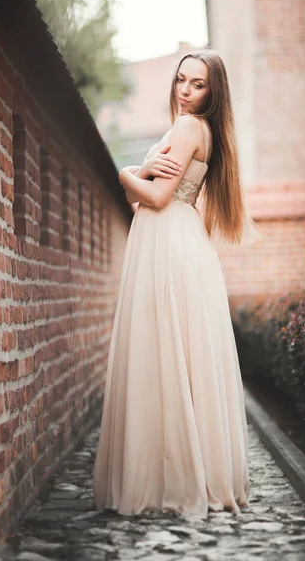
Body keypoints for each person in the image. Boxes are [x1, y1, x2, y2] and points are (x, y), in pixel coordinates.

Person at [93, 48, 261, 519]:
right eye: (181, 80)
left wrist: (126, 172)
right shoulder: (194, 129)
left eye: (197, 84)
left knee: (165, 350)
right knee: (177, 355)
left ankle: (173, 477)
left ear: (213, 92)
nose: (185, 91)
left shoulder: (189, 128)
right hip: (173, 241)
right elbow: (144, 200)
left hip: (169, 243)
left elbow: (157, 196)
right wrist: (140, 179)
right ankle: (187, 469)